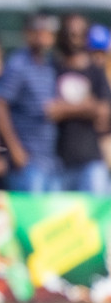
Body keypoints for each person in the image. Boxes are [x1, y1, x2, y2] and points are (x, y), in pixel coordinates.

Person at [0, 14, 65, 193]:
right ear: (27, 34)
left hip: (51, 161)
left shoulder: (51, 65)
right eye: (38, 31)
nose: (43, 36)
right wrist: (16, 150)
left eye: (47, 32)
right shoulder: (18, 64)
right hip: (29, 162)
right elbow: (0, 105)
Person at [54, 14, 111, 195]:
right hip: (58, 162)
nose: (99, 58)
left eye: (103, 53)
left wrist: (65, 108)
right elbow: (49, 110)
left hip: (91, 160)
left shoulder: (96, 72)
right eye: (71, 34)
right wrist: (87, 107)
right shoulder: (53, 69)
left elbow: (102, 112)